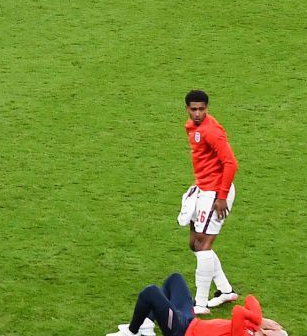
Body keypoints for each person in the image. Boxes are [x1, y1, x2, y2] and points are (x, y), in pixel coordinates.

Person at [180, 90, 240, 313]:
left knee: (204, 245)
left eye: (202, 109)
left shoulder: (212, 131)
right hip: (203, 190)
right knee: (194, 243)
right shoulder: (191, 127)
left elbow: (231, 163)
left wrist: (222, 197)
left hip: (216, 193)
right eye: (193, 109)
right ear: (187, 108)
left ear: (207, 108)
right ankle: (225, 291)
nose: (197, 113)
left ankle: (200, 302)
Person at [113, 276, 276, 336]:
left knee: (150, 292)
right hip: (190, 321)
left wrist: (259, 320)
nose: (276, 329)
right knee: (175, 279)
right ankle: (147, 324)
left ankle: (132, 332)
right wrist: (259, 322)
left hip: (180, 332)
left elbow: (238, 311)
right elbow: (250, 299)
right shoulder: (253, 328)